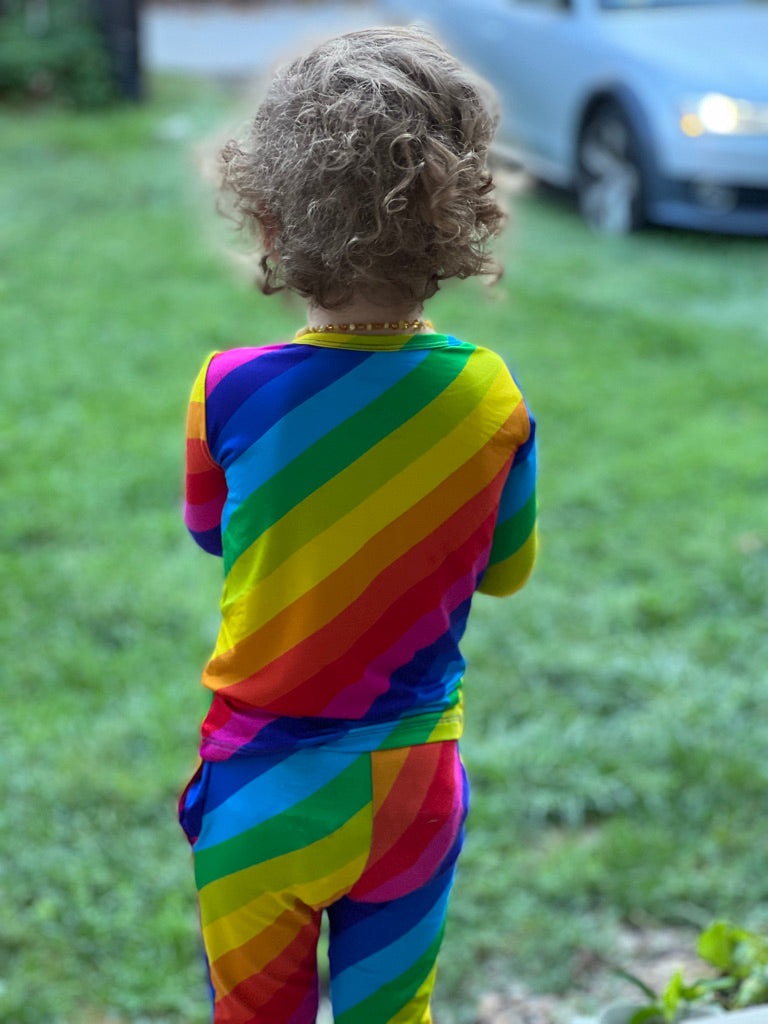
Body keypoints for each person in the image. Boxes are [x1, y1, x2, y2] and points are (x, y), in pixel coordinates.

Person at [179, 25, 537, 1024]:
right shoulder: (488, 393)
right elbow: (506, 572)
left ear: (267, 205)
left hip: (260, 784)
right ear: (465, 206)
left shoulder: (230, 389)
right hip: (410, 781)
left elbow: (215, 534)